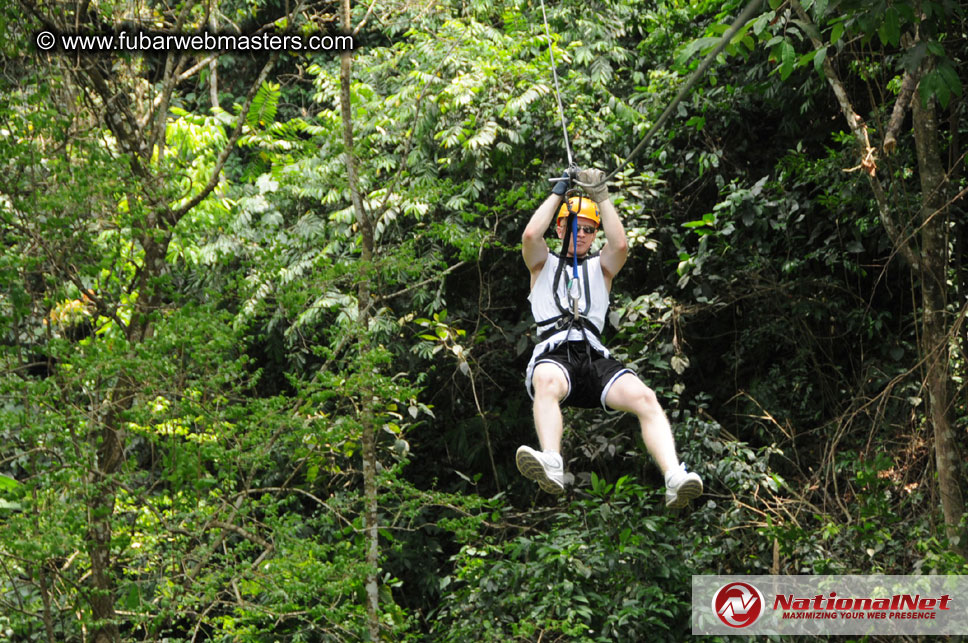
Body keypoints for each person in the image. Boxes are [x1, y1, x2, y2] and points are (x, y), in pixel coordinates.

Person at [516, 167, 703, 508]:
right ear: (561, 227)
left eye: (590, 230)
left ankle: (674, 475)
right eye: (577, 227)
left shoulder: (601, 268)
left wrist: (600, 194)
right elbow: (530, 236)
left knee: (645, 398)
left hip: (593, 353)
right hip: (556, 351)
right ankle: (552, 462)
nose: (584, 234)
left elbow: (620, 244)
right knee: (545, 379)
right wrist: (561, 190)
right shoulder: (542, 263)